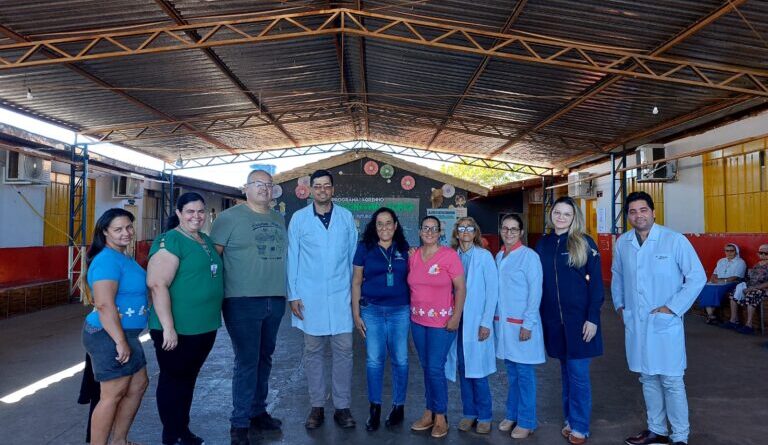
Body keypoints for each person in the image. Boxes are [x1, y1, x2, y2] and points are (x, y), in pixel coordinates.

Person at [611, 191, 706, 445]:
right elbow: (617, 276)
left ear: (653, 212)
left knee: (672, 380)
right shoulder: (623, 242)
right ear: (628, 216)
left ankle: (680, 436)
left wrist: (673, 308)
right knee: (648, 378)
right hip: (637, 322)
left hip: (665, 323)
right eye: (632, 211)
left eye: (643, 210)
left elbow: (697, 277)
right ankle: (657, 431)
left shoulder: (674, 241)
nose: (638, 215)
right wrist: (620, 307)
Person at [210, 170, 288, 445]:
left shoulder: (279, 218)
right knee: (246, 361)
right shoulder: (228, 219)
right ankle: (239, 422)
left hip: (275, 299)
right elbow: (213, 261)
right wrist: (212, 298)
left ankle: (258, 412)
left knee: (265, 358)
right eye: (259, 185)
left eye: (269, 185)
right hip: (241, 301)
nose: (265, 189)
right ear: (246, 188)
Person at [146, 192, 224, 445]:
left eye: (201, 211)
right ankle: (171, 435)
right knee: (173, 380)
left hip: (203, 327)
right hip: (177, 329)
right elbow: (157, 284)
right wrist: (168, 328)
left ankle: (183, 430)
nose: (196, 216)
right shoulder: (170, 240)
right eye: (190, 211)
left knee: (187, 380)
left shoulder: (205, 240)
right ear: (179, 213)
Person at [287, 169, 358, 429]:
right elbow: (292, 257)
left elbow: (353, 259)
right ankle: (317, 407)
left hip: (341, 297)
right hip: (310, 298)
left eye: (326, 186)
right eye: (317, 186)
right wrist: (293, 295)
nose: (322, 190)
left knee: (344, 353)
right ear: (311, 190)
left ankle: (342, 407)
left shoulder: (346, 218)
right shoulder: (299, 219)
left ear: (333, 189)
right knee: (313, 352)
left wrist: (354, 296)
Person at [535, 197, 604, 445]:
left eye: (567, 213)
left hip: (580, 322)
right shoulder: (542, 244)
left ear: (575, 217)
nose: (561, 217)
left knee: (578, 374)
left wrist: (593, 318)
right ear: (551, 215)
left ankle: (581, 426)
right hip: (554, 321)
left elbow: (596, 285)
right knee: (565, 373)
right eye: (557, 212)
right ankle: (570, 419)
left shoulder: (584, 243)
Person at [80, 208, 148, 445]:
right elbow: (104, 304)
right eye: (118, 229)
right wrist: (120, 342)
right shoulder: (107, 260)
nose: (126, 233)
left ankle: (119, 441)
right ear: (105, 232)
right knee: (112, 394)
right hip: (108, 333)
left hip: (125, 333)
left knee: (138, 385)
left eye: (129, 227)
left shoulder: (123, 257)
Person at [351, 207, 411, 431]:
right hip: (372, 311)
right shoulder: (364, 248)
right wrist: (356, 313)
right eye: (380, 223)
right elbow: (356, 282)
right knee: (374, 361)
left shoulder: (405, 250)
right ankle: (374, 409)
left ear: (395, 226)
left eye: (388, 223)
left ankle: (398, 407)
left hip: (400, 311)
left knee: (401, 361)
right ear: (374, 227)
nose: (384, 227)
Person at [407, 216, 467, 438]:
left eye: (434, 229)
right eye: (425, 228)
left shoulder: (449, 256)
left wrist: (456, 316)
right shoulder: (413, 257)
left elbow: (460, 288)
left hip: (442, 322)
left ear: (441, 232)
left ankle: (441, 416)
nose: (429, 232)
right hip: (418, 322)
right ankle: (429, 412)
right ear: (420, 231)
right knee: (426, 368)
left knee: (435, 368)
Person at [494, 214, 545, 440]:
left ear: (521, 232)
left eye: (514, 229)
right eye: (505, 229)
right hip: (504, 325)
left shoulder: (530, 257)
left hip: (522, 326)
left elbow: (536, 293)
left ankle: (527, 420)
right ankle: (512, 414)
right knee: (512, 373)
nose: (509, 233)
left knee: (524, 374)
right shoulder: (499, 255)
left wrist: (528, 323)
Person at [446, 217, 498, 435]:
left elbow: (492, 292)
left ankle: (484, 415)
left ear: (475, 232)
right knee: (463, 369)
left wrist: (486, 322)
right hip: (458, 322)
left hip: (476, 322)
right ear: (457, 233)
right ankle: (469, 413)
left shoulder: (484, 257)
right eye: (461, 228)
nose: (465, 231)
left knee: (478, 371)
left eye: (469, 228)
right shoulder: (451, 256)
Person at [722, 244, 768, 335]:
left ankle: (749, 325)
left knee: (751, 296)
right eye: (760, 253)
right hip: (751, 286)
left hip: (763, 288)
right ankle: (733, 320)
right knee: (733, 293)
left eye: (765, 253)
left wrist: (753, 288)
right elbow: (750, 278)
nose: (762, 255)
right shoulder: (758, 264)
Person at [701, 243, 746, 324]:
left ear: (736, 252)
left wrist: (719, 281)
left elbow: (735, 277)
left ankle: (711, 316)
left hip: (732, 283)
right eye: (727, 251)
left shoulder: (740, 262)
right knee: (706, 288)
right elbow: (714, 274)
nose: (729, 253)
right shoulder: (721, 261)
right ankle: (711, 315)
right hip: (718, 282)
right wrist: (713, 280)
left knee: (715, 290)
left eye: (731, 251)